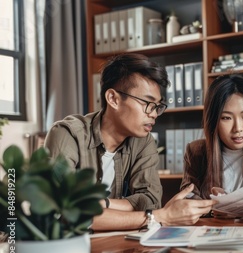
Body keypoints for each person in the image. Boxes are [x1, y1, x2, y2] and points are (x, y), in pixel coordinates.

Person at [44, 53, 216, 231]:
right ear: (113, 99)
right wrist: (157, 217)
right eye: (147, 103)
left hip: (113, 243)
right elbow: (65, 212)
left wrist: (102, 203)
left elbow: (151, 200)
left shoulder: (143, 141)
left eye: (158, 106)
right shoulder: (67, 135)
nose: (154, 114)